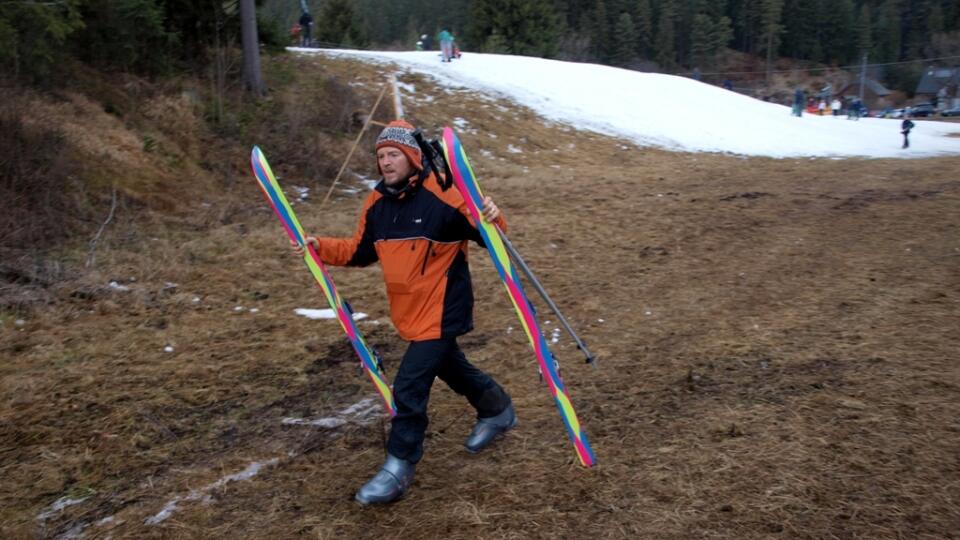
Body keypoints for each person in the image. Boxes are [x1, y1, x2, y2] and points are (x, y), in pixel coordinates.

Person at [295, 120, 516, 505]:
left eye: (393, 154)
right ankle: (497, 409)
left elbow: (489, 236)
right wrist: (320, 247)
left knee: (411, 385)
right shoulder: (377, 203)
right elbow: (359, 250)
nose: (385, 162)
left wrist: (492, 215)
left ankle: (398, 466)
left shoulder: (444, 194)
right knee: (450, 366)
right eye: (380, 156)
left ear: (413, 157)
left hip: (444, 306)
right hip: (409, 311)